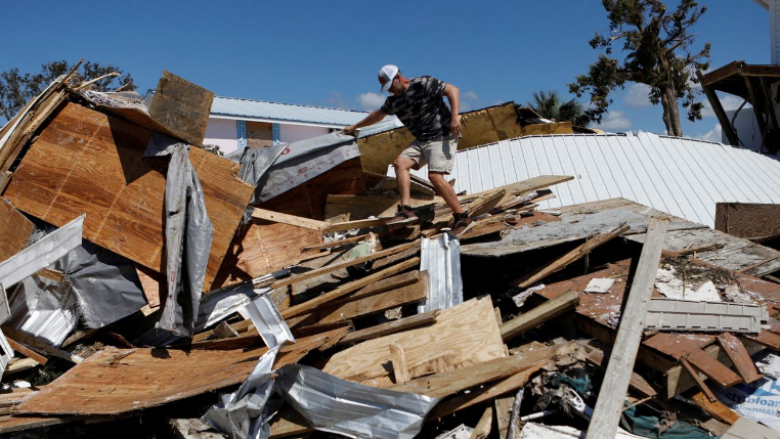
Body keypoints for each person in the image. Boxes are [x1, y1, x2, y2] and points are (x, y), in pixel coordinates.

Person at [344, 64, 474, 236]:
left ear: (399, 78)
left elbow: (452, 90)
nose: (390, 90)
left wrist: (454, 116)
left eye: (391, 85)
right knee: (400, 163)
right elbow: (377, 115)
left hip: (442, 134)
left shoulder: (422, 83)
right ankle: (406, 210)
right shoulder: (394, 100)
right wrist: (355, 126)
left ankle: (462, 217)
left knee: (435, 176)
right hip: (422, 140)